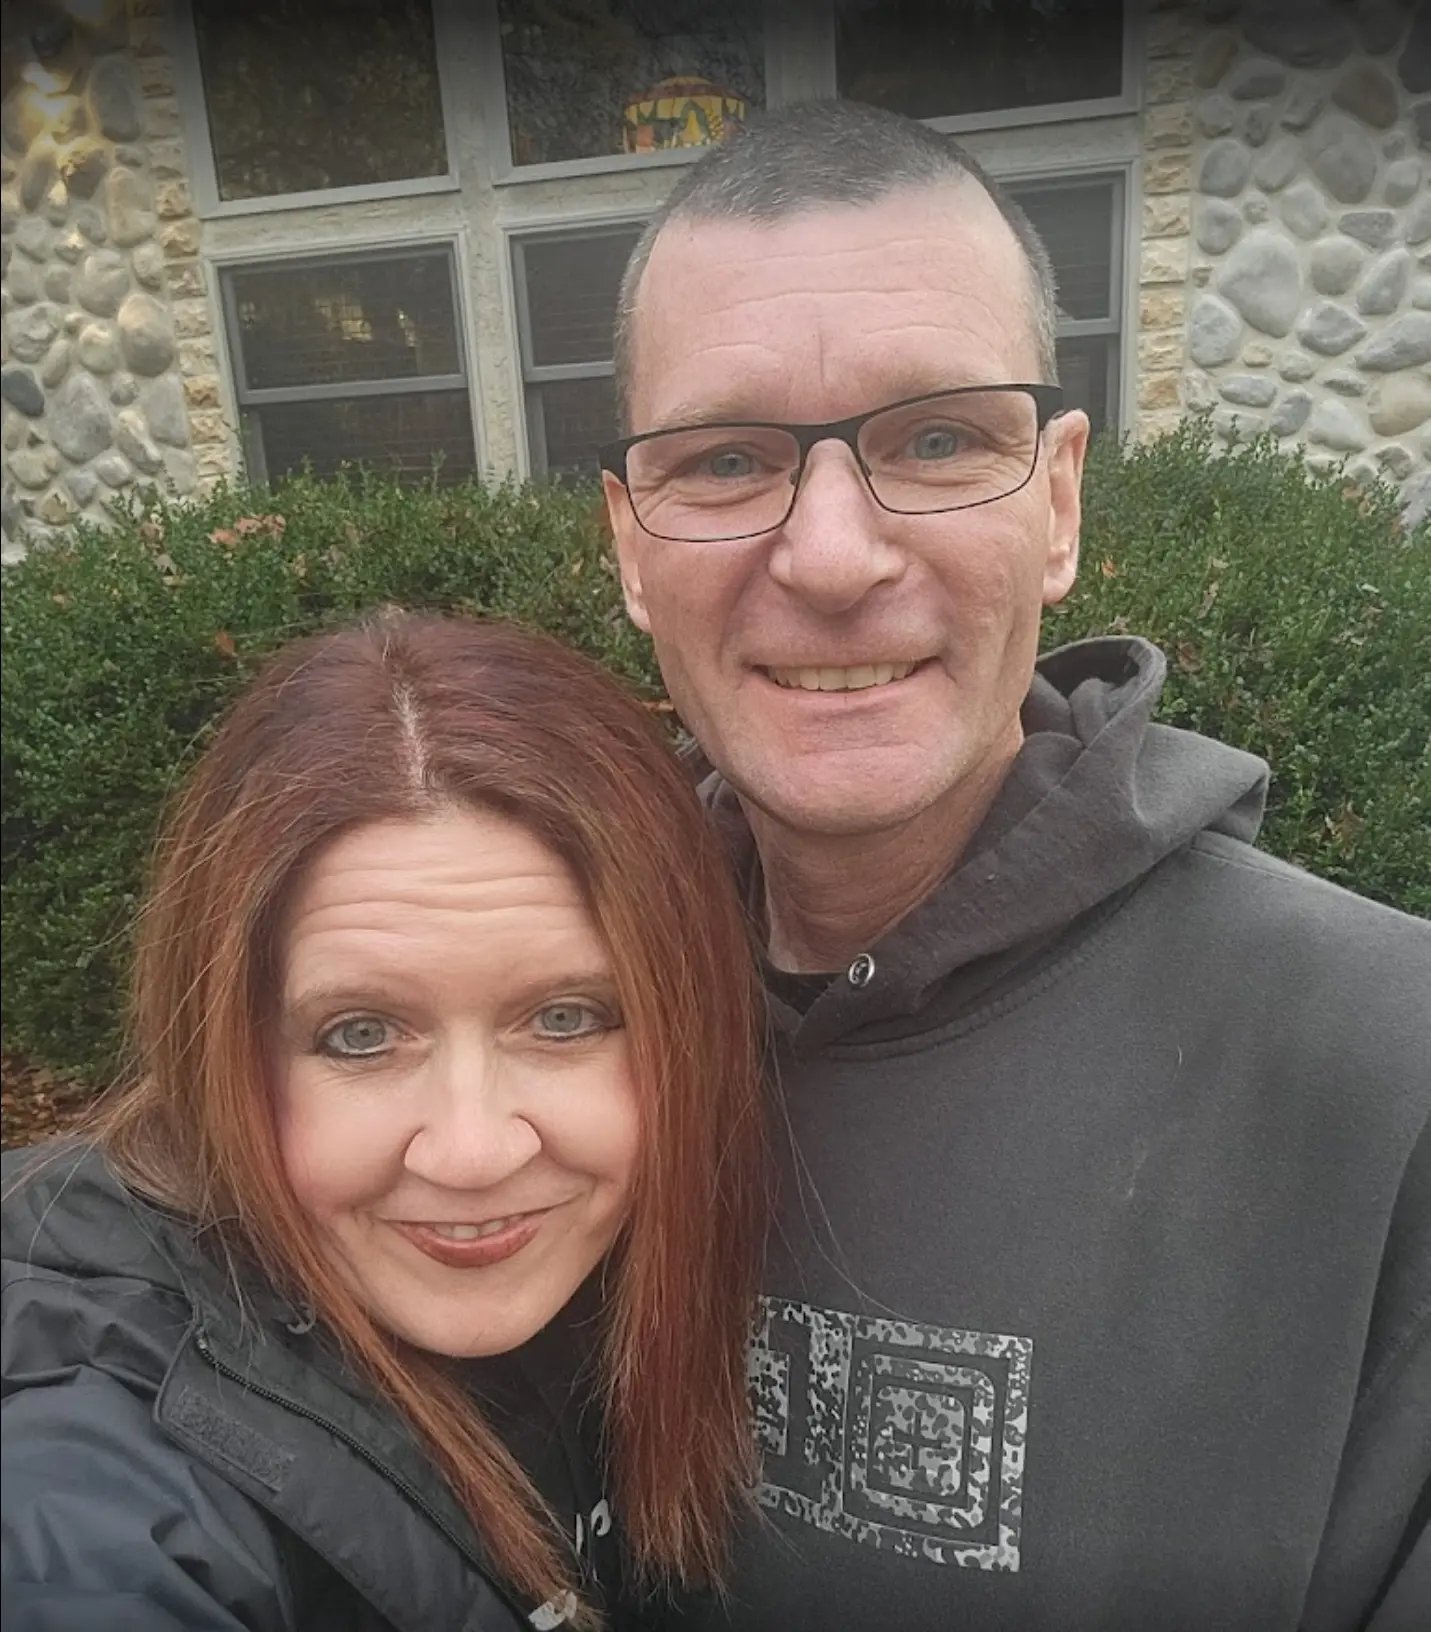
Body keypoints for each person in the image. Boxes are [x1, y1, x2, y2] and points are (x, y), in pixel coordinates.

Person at [599, 101, 1430, 1631]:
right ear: (629, 544)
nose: (832, 558)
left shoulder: (1387, 1075)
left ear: (1055, 503)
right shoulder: (554, 1015)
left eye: (934, 440)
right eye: (723, 459)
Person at [2, 612, 767, 1632]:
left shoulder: (635, 1287)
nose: (472, 1150)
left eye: (566, 1018)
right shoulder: (95, 1453)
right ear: (223, 1053)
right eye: (361, 1035)